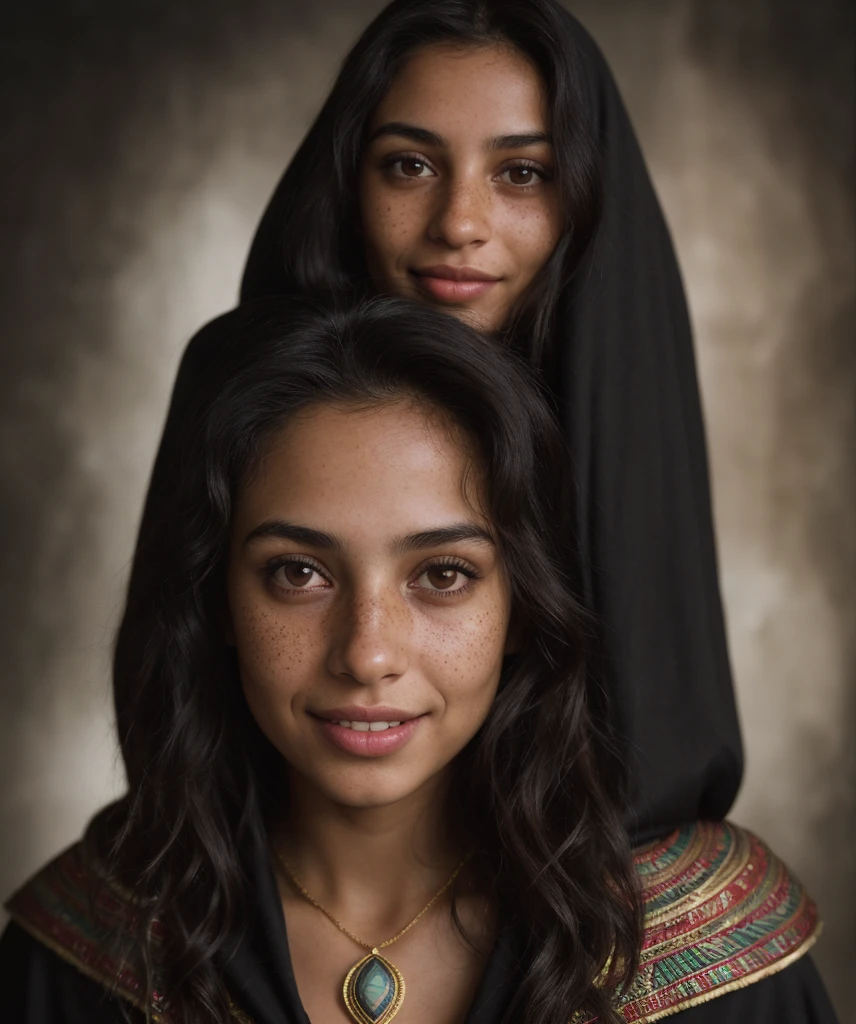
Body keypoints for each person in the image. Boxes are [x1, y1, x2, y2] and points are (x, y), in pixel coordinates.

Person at [1, 0, 838, 1021]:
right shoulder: (95, 953)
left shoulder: (689, 956)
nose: (460, 223)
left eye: (444, 572)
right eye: (408, 164)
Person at [0, 298, 827, 1023]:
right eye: (299, 573)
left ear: (519, 607)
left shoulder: (714, 968)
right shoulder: (86, 955)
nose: (367, 653)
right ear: (217, 599)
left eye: (443, 576)